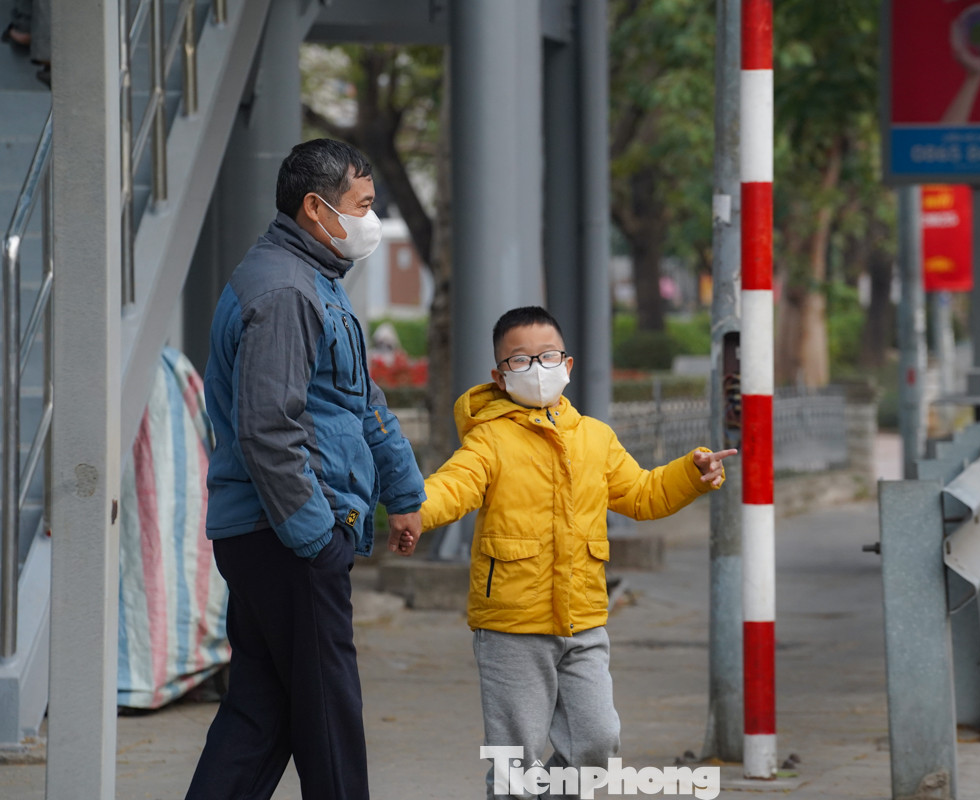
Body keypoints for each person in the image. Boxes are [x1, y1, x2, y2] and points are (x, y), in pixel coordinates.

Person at [398, 305, 735, 799]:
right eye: (520, 360)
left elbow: (642, 494)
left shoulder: (595, 438)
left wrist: (690, 472)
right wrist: (413, 510)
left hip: (583, 621)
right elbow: (454, 486)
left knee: (597, 742)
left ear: (568, 364)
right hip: (512, 627)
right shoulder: (489, 439)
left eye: (547, 355)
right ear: (498, 375)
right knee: (516, 758)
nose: (536, 368)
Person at [187, 139, 426, 800]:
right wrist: (317, 538)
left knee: (261, 717)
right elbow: (270, 428)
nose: (371, 220)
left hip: (276, 535)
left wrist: (403, 491)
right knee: (329, 717)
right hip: (287, 535)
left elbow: (359, 400)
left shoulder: (314, 280)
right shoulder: (287, 291)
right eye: (364, 205)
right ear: (317, 208)